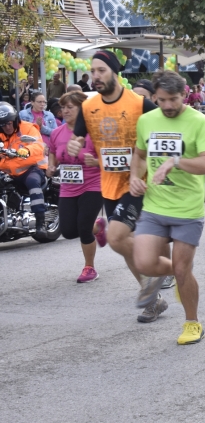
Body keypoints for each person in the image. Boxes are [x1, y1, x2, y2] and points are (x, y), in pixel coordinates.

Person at [66, 50, 169, 323]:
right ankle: (153, 296)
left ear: (114, 72)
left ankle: (163, 269)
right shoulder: (88, 107)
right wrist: (76, 145)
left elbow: (167, 129)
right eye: (93, 71)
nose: (96, 76)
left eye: (101, 70)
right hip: (109, 185)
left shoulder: (139, 104)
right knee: (121, 243)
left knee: (117, 237)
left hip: (138, 184)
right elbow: (77, 138)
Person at [131, 70, 205, 345]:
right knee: (144, 262)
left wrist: (176, 161)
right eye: (162, 100)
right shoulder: (146, 121)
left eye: (174, 99)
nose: (168, 106)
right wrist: (135, 176)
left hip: (187, 209)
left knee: (182, 269)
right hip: (155, 205)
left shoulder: (199, 122)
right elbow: (140, 155)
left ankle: (192, 323)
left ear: (185, 95)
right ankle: (181, 277)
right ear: (155, 96)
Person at [47, 91, 105, 282]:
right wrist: (51, 165)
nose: (65, 111)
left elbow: (108, 158)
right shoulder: (56, 132)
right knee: (68, 231)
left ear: (82, 109)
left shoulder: (95, 131)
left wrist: (96, 162)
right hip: (68, 186)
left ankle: (90, 268)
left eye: (70, 107)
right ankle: (98, 226)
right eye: (62, 107)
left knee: (83, 227)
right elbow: (53, 152)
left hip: (93, 184)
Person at [0, 102, 49, 238]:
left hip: (30, 169)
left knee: (33, 182)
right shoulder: (1, 134)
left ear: (15, 120)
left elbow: (38, 146)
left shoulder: (28, 128)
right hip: (8, 170)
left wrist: (25, 150)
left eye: (9, 123)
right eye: (3, 124)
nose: (7, 127)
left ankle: (40, 222)